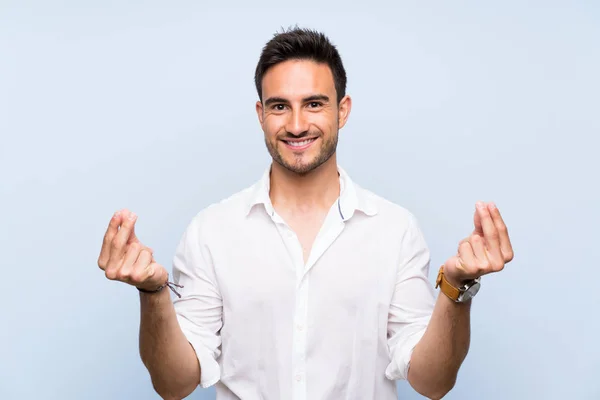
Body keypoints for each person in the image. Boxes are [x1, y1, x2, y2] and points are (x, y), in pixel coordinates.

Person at [97, 27, 514, 400]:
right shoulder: (211, 232)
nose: (297, 125)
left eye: (314, 104)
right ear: (261, 115)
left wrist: (456, 290)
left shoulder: (395, 231)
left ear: (343, 110)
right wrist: (152, 295)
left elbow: (432, 382)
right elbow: (173, 385)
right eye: (279, 107)